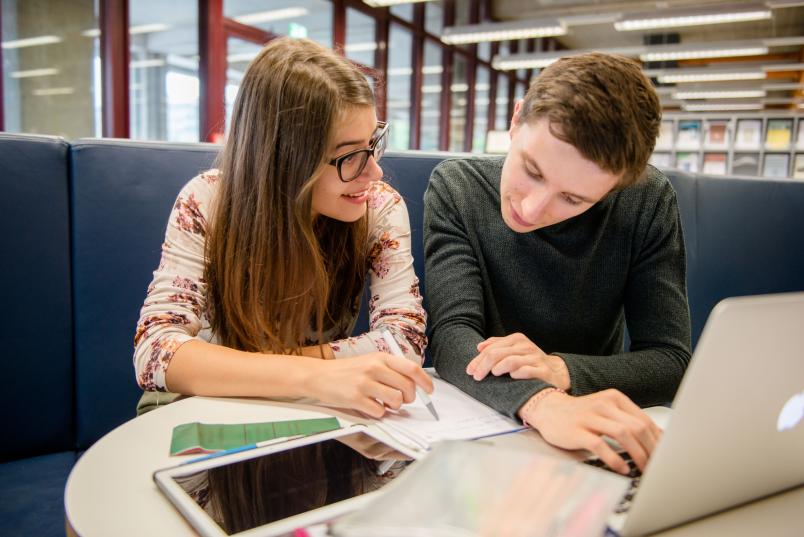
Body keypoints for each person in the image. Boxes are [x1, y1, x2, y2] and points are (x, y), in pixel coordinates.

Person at [133, 37, 431, 417]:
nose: (373, 171)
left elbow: (404, 340)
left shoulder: (379, 207)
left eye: (373, 142)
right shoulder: (206, 201)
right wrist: (317, 375)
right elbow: (156, 351)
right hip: (207, 411)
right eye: (351, 155)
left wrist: (284, 373)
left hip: (313, 412)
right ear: (284, 160)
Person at [423, 52, 691, 475]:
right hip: (485, 429)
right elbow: (452, 337)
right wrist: (542, 402)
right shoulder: (457, 187)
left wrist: (558, 370)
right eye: (531, 169)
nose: (531, 208)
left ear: (614, 189)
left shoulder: (647, 201)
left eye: (573, 199)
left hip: (593, 435)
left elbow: (669, 362)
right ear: (515, 120)